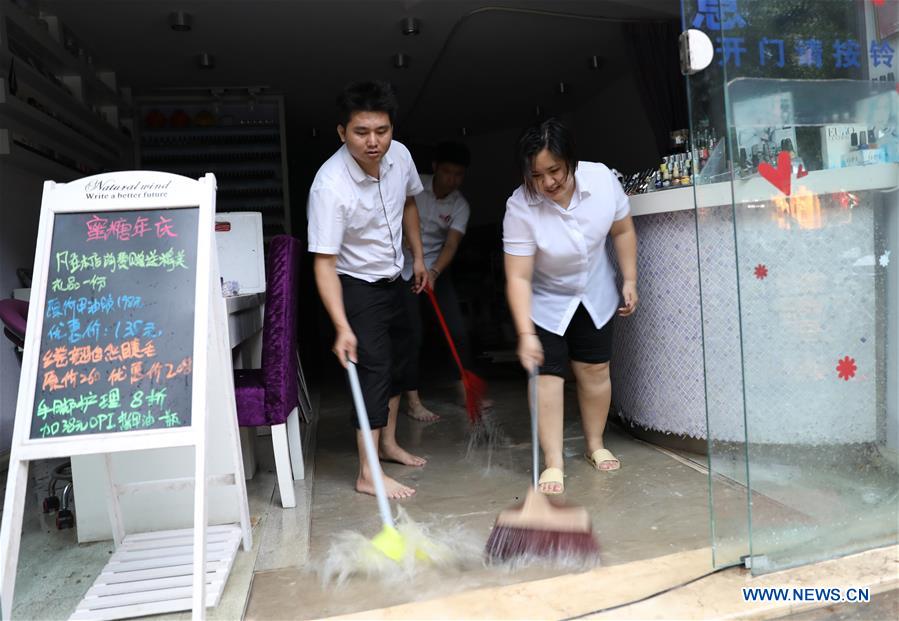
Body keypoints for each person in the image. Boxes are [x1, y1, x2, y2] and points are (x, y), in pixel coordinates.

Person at [502, 118, 638, 495]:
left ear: (571, 161)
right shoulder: (520, 207)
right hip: (545, 299)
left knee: (595, 368)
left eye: (555, 170)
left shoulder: (601, 180)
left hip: (594, 290)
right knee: (547, 377)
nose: (547, 182)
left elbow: (622, 229)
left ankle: (595, 444)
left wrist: (629, 279)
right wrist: (526, 334)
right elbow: (518, 277)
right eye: (537, 175)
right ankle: (554, 461)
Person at [308, 81, 429, 499]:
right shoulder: (330, 187)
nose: (374, 142)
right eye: (362, 132)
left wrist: (418, 257)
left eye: (382, 130)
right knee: (373, 371)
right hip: (356, 285)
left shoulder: (401, 156)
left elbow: (410, 203)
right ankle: (367, 472)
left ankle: (389, 445)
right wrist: (342, 326)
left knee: (398, 361)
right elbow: (323, 263)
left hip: (395, 275)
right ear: (342, 132)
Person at [400, 142, 474, 422]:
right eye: (447, 172)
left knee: (457, 331)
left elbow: (451, 245)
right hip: (403, 269)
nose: (452, 180)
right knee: (413, 334)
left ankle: (465, 392)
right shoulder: (414, 187)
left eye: (458, 174)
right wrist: (409, 246)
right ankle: (413, 400)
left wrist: (433, 274)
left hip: (434, 270)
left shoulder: (460, 205)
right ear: (435, 168)